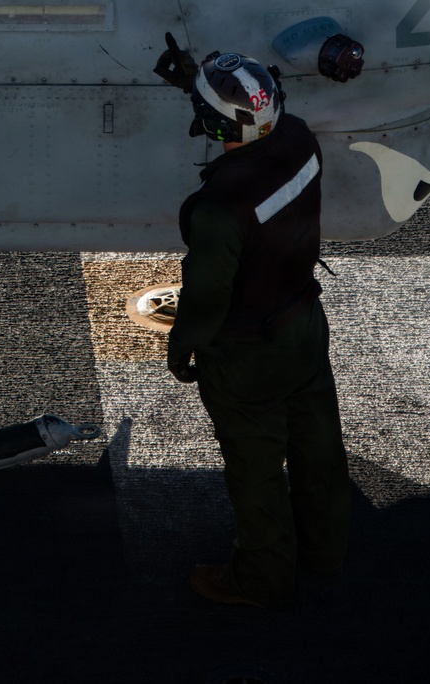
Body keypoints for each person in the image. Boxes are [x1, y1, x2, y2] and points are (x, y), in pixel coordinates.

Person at [162, 48, 351, 609]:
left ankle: (261, 578)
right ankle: (325, 549)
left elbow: (205, 297)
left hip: (247, 357)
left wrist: (183, 346)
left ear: (215, 121)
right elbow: (255, 125)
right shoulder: (298, 139)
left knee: (256, 466)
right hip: (304, 326)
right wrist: (199, 88)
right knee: (318, 448)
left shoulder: (217, 210)